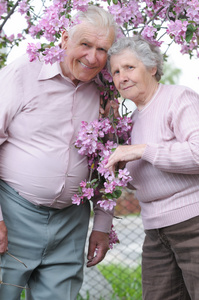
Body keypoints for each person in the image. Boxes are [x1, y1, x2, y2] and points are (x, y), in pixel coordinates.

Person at [0, 6, 119, 300]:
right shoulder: (22, 73)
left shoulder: (106, 87)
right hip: (13, 213)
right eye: (85, 45)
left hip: (71, 222)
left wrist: (102, 226)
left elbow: (110, 158)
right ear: (64, 38)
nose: (93, 58)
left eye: (102, 49)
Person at [106, 35, 199, 300]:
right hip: (156, 231)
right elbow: (147, 178)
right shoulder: (131, 121)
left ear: (152, 67)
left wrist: (142, 150)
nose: (121, 76)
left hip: (192, 223)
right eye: (115, 71)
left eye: (129, 67)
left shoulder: (179, 98)